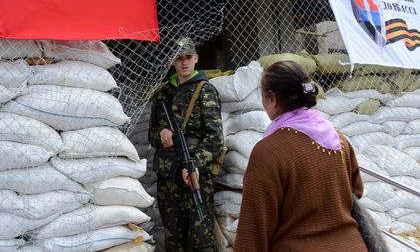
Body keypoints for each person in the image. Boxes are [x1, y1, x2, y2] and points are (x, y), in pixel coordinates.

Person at [234, 60, 373, 251]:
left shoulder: (268, 152)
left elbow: (253, 231)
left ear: (272, 98)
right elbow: (355, 192)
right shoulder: (338, 137)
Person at [148, 37, 224, 252]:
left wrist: (194, 165)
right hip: (168, 175)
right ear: (172, 61)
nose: (184, 63)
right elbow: (151, 134)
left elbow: (215, 138)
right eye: (179, 58)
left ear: (196, 58)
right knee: (173, 236)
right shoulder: (163, 93)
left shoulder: (205, 90)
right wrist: (161, 134)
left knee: (201, 237)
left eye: (188, 57)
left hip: (195, 172)